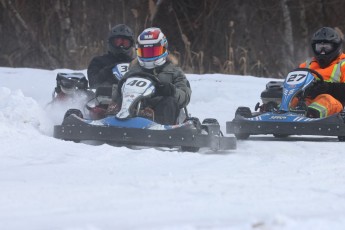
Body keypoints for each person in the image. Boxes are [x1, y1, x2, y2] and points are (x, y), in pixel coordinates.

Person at [118, 27, 192, 125]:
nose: (149, 56)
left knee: (169, 101)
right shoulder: (133, 70)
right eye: (146, 52)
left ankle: (152, 119)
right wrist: (118, 89)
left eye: (153, 52)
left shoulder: (174, 72)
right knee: (117, 95)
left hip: (161, 112)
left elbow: (185, 95)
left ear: (163, 49)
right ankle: (116, 119)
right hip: (134, 106)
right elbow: (119, 90)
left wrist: (172, 91)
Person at [298, 27, 345, 118]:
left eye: (326, 47)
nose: (322, 52)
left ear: (335, 47)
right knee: (292, 100)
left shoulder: (343, 64)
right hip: (306, 101)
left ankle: (311, 114)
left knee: (325, 99)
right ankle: (275, 112)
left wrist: (328, 88)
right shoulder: (306, 65)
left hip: (333, 103)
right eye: (319, 47)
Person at [87, 24, 135, 88]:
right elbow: (93, 83)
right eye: (118, 42)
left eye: (125, 43)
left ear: (130, 44)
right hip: (105, 96)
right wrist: (109, 70)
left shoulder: (135, 63)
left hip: (133, 95)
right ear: (111, 42)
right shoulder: (98, 61)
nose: (121, 46)